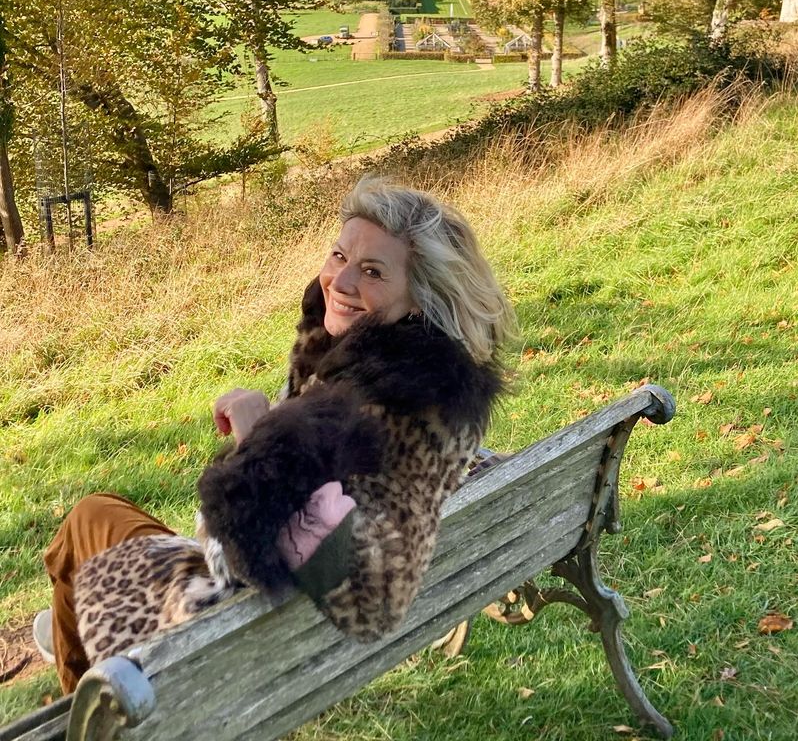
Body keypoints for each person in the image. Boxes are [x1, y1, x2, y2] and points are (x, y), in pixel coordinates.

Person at [36, 177, 515, 694]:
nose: (340, 280)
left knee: (86, 523)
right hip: (304, 626)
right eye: (339, 255)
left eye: (373, 271)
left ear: (419, 300)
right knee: (96, 526)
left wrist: (255, 434)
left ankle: (84, 707)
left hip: (242, 632)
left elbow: (238, 550)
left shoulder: (368, 402)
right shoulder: (434, 388)